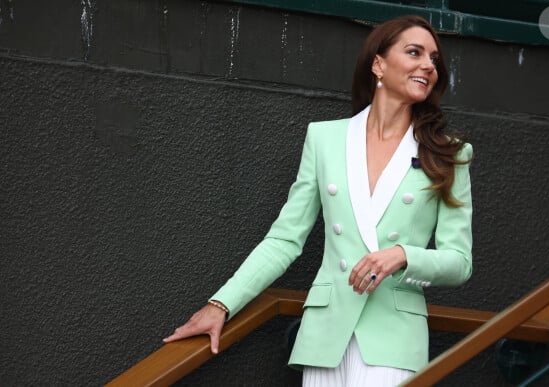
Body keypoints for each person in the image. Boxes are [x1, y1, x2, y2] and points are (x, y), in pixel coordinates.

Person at [164, 15, 473, 387]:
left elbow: (460, 262)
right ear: (379, 63)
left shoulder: (448, 154)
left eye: (434, 59)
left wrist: (403, 255)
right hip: (326, 336)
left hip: (395, 339)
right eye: (414, 52)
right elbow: (284, 240)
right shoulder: (325, 139)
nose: (428, 65)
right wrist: (221, 304)